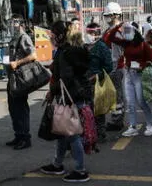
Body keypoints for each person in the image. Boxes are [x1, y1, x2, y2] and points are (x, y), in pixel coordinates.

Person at [40, 21, 91, 182]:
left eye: (53, 35)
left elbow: (66, 78)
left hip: (70, 96)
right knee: (62, 131)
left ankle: (80, 170)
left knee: (72, 133)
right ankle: (57, 164)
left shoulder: (65, 53)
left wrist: (52, 91)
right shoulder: (76, 49)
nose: (51, 38)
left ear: (61, 35)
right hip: (76, 94)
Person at [107, 23, 152, 137]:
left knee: (141, 101)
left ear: (135, 31)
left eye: (129, 31)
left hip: (139, 75)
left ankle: (151, 124)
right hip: (128, 73)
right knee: (130, 103)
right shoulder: (125, 43)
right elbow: (111, 38)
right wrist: (118, 25)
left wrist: (142, 66)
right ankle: (132, 126)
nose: (126, 33)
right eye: (126, 31)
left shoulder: (143, 44)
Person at [6, 14, 37, 150]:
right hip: (12, 78)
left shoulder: (24, 37)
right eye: (11, 22)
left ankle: (25, 137)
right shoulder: (14, 37)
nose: (12, 25)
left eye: (15, 22)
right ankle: (18, 135)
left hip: (20, 78)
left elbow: (33, 55)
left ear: (20, 23)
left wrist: (17, 62)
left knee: (20, 108)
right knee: (13, 108)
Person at [85, 22, 113, 141]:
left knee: (98, 109)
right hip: (84, 82)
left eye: (93, 32)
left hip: (97, 82)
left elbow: (109, 66)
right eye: (89, 32)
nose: (90, 35)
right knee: (86, 109)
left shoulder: (102, 47)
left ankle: (100, 133)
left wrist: (96, 76)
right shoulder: (83, 46)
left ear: (97, 33)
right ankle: (88, 132)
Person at [101, 2, 126, 130]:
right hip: (110, 66)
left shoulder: (118, 30)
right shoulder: (109, 30)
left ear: (116, 15)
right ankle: (116, 119)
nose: (107, 18)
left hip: (116, 67)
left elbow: (118, 52)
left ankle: (117, 121)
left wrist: (112, 68)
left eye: (109, 15)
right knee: (114, 95)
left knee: (117, 96)